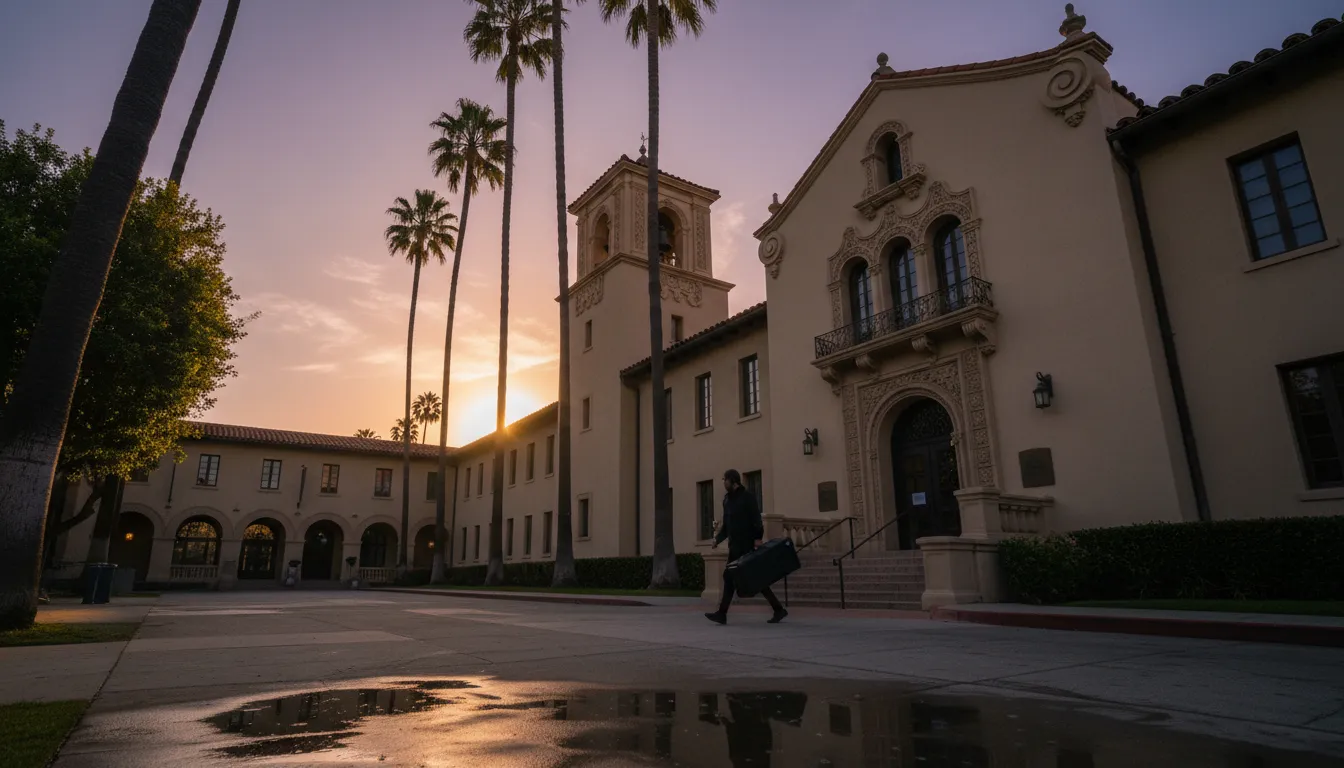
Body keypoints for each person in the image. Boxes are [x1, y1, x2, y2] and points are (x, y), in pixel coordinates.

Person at [705, 469, 787, 625]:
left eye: (725, 480)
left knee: (745, 578)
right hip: (734, 547)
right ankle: (777, 609)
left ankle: (723, 613)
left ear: (733, 481)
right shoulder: (727, 500)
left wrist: (758, 538)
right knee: (739, 578)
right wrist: (718, 539)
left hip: (747, 545)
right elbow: (727, 526)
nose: (724, 483)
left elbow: (756, 519)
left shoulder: (747, 498)